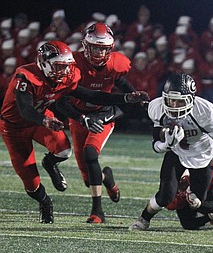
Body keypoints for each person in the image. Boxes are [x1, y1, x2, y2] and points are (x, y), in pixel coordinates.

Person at [0, 41, 149, 224]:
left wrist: (125, 97)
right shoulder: (26, 76)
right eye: (59, 67)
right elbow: (25, 109)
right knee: (31, 181)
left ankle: (50, 163)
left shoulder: (67, 76)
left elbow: (91, 95)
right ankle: (45, 201)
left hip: (41, 118)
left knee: (64, 150)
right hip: (14, 127)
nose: (64, 72)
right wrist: (45, 120)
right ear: (44, 63)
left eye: (66, 67)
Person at [128, 73, 213, 231]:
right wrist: (167, 144)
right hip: (177, 152)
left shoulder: (205, 112)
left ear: (191, 99)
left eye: (179, 101)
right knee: (165, 195)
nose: (174, 105)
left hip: (202, 155)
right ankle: (144, 219)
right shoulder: (157, 108)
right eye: (171, 100)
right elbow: (155, 145)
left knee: (197, 201)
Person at [56, 22, 139, 224]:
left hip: (102, 114)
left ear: (110, 48)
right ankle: (107, 179)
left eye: (103, 48)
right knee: (87, 178)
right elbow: (61, 100)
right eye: (95, 47)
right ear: (86, 45)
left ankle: (97, 211)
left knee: (90, 153)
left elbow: (119, 81)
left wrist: (136, 96)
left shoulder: (115, 64)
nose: (99, 53)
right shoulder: (73, 63)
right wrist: (79, 118)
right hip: (79, 117)